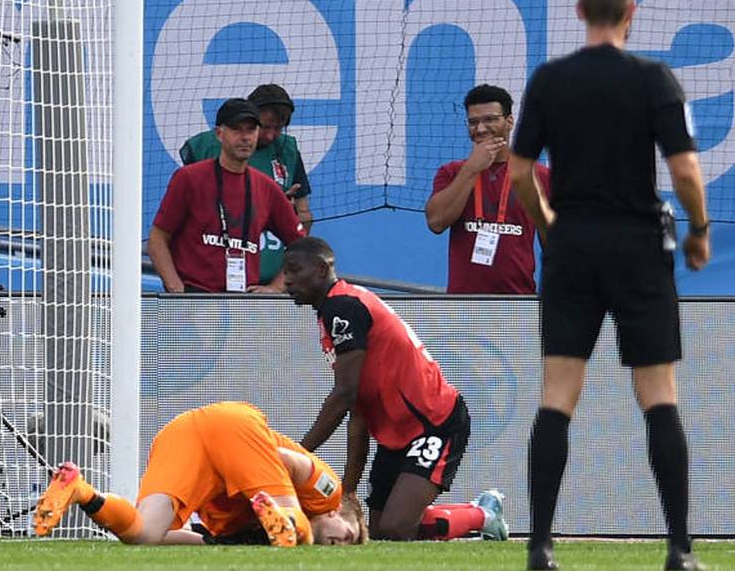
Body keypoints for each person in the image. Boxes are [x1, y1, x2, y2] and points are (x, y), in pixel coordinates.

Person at [508, 0, 711, 571]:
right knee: (658, 397)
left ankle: (541, 545)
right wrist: (699, 230)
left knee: (558, 395)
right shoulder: (653, 79)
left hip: (573, 245)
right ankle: (678, 547)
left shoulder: (550, 79)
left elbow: (520, 172)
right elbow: (682, 170)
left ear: (579, 12)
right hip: (638, 248)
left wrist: (551, 230)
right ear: (632, 13)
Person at [284, 237, 508, 543]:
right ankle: (473, 513)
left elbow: (344, 395)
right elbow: (358, 410)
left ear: (322, 270)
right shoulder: (335, 310)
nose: (287, 280)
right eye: (285, 272)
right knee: (379, 532)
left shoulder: (343, 308)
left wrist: (297, 455)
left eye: (294, 270)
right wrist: (348, 492)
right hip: (396, 434)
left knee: (396, 529)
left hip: (436, 423)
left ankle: (484, 515)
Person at [32, 401, 365, 546]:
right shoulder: (327, 492)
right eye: (348, 535)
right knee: (295, 527)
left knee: (144, 533)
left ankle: (79, 490)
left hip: (182, 436)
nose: (340, 543)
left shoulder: (241, 531)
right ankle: (286, 523)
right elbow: (287, 461)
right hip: (234, 427)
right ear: (341, 512)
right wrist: (253, 474)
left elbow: (197, 540)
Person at [150, 98, 305, 293]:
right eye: (236, 129)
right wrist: (175, 287)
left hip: (243, 302)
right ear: (219, 134)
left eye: (251, 129)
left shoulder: (267, 188)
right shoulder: (189, 178)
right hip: (195, 296)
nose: (245, 137)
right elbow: (158, 237)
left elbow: (302, 247)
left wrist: (275, 288)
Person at [425, 84, 551, 294]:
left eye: (490, 119)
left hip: (518, 301)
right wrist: (471, 169)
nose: (481, 128)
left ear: (509, 121)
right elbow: (436, 222)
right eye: (473, 122)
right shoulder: (452, 172)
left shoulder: (538, 176)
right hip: (461, 304)